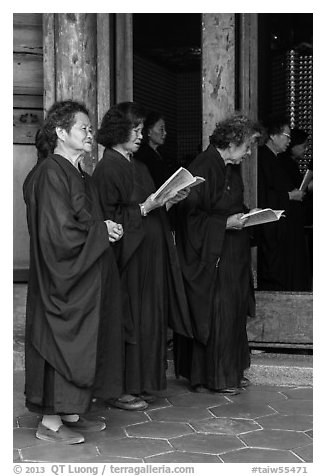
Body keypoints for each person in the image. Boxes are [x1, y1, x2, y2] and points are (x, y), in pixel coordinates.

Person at [23, 100, 124, 444]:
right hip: (60, 280)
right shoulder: (51, 172)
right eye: (83, 128)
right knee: (58, 343)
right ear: (60, 133)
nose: (90, 134)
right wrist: (99, 232)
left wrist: (105, 227)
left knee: (80, 343)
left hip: (82, 277)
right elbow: (59, 233)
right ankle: (49, 425)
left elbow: (82, 220)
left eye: (90, 128)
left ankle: (69, 412)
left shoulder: (76, 171)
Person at [92, 101, 192, 410]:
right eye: (135, 130)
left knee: (150, 321)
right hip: (129, 260)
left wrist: (170, 200)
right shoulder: (108, 166)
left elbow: (151, 207)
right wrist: (145, 208)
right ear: (118, 131)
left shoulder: (139, 166)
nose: (139, 135)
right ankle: (121, 388)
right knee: (129, 321)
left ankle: (144, 383)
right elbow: (106, 217)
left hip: (150, 257)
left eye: (139, 130)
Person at [174, 113, 261, 395]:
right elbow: (189, 217)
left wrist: (249, 215)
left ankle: (229, 371)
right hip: (213, 255)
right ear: (233, 141)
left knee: (232, 313)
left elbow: (230, 203)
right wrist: (225, 223)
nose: (248, 153)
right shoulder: (203, 166)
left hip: (232, 251)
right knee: (217, 312)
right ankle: (212, 377)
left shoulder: (229, 167)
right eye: (247, 146)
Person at [257, 116, 309, 291]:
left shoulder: (277, 159)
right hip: (272, 231)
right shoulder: (263, 158)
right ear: (273, 135)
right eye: (286, 136)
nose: (289, 140)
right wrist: (288, 196)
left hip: (284, 229)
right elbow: (262, 195)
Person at [134, 111, 173, 189]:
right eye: (161, 129)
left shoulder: (163, 155)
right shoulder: (142, 156)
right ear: (149, 131)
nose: (165, 133)